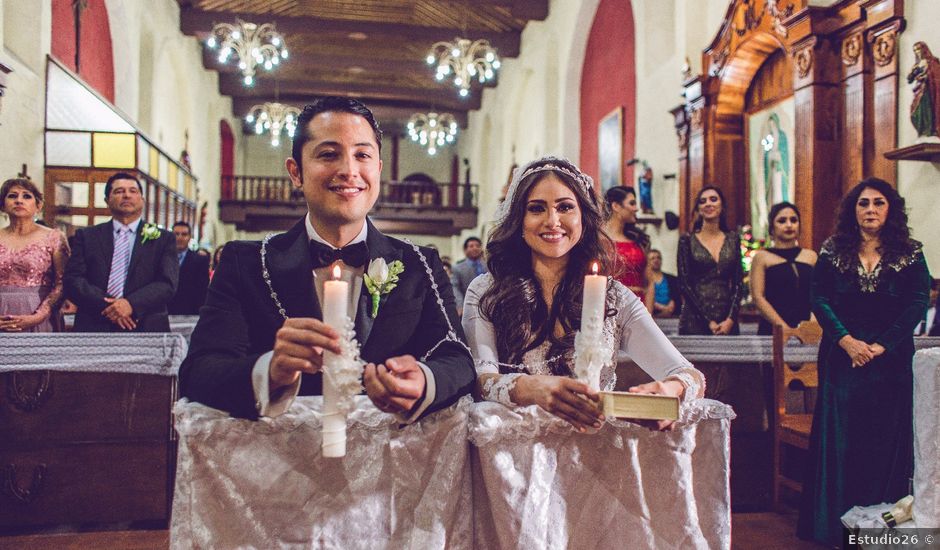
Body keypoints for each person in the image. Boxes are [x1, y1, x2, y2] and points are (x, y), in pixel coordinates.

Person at [179, 97, 475, 421]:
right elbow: (200, 371)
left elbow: (456, 358)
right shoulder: (245, 262)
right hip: (279, 460)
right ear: (296, 172)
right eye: (328, 154)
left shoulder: (420, 263)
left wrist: (424, 381)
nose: (349, 170)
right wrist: (271, 369)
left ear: (377, 169)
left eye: (362, 155)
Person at [462, 156, 704, 432]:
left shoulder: (613, 297)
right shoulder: (486, 291)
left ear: (584, 218)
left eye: (565, 207)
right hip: (514, 455)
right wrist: (527, 387)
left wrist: (670, 390)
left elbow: (689, 374)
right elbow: (480, 379)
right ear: (518, 220)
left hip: (591, 452)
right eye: (536, 208)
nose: (553, 221)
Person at [797, 178, 930, 545]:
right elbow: (819, 298)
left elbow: (918, 300)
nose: (870, 209)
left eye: (878, 203)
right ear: (852, 210)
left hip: (892, 360)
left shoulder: (911, 252)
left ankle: (877, 530)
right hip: (842, 358)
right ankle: (835, 528)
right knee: (841, 439)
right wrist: (848, 341)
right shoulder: (832, 250)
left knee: (885, 437)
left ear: (891, 210)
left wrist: (882, 345)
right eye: (863, 203)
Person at [63, 172, 178, 332]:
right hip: (95, 323)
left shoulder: (163, 238)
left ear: (142, 200)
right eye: (119, 191)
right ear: (107, 200)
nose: (126, 196)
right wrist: (111, 307)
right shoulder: (88, 236)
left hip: (145, 324)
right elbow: (73, 280)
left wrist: (130, 304)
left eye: (133, 191)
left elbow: (167, 284)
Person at [0, 178, 69, 332]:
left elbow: (62, 282)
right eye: (12, 196)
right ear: (3, 205)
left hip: (39, 314)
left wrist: (39, 316)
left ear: (38, 205)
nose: (19, 200)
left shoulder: (54, 237)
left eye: (26, 196)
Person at [677, 185, 744, 336]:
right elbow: (684, 283)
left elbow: (738, 283)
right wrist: (708, 321)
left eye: (713, 199)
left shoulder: (733, 239)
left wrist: (731, 319)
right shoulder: (687, 240)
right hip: (694, 318)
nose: (708, 204)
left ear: (722, 206)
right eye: (702, 201)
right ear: (698, 209)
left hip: (727, 317)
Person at [750, 202, 817, 335]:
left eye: (793, 220)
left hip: (807, 330)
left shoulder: (811, 256)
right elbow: (758, 297)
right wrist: (782, 327)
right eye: (782, 221)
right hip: (773, 330)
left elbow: (820, 293)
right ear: (772, 228)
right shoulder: (762, 257)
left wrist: (813, 321)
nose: (789, 225)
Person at [603, 186, 653, 311]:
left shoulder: (639, 240)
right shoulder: (596, 239)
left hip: (637, 306)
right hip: (607, 305)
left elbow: (650, 283)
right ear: (616, 206)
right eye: (632, 203)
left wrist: (649, 316)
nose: (636, 208)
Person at [167, 221, 210, 315]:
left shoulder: (200, 260)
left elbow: (202, 290)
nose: (180, 238)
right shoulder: (162, 258)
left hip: (189, 311)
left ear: (190, 237)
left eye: (184, 234)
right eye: (176, 234)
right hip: (165, 310)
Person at [907, 41, 940, 138]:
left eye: (918, 49)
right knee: (915, 112)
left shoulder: (932, 62)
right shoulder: (916, 65)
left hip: (928, 89)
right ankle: (922, 131)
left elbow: (937, 76)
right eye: (915, 50)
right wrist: (912, 73)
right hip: (918, 89)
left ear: (924, 50)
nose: (917, 52)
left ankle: (929, 130)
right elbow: (909, 79)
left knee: (927, 109)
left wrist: (926, 77)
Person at [450, 236, 486, 315]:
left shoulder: (487, 266)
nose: (475, 248)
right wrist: (460, 305)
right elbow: (455, 288)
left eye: (477, 246)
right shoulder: (457, 268)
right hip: (468, 305)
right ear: (465, 250)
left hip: (486, 305)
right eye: (471, 246)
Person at [648, 249, 681, 318]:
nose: (656, 260)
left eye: (658, 258)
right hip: (653, 315)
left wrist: (671, 305)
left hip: (671, 315)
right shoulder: (646, 280)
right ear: (647, 262)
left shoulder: (671, 279)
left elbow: (677, 296)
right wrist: (661, 307)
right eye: (652, 258)